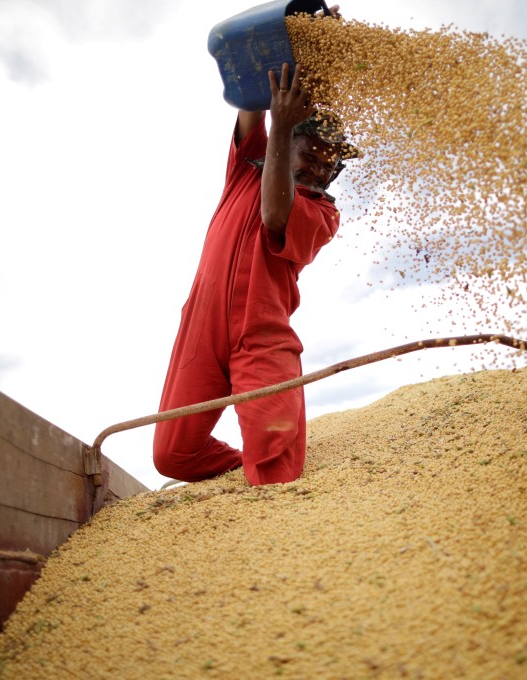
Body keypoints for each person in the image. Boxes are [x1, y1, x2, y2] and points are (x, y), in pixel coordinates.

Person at [152, 61, 360, 486]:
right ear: (290, 143)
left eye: (331, 163)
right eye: (313, 154)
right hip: (200, 327)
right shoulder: (248, 166)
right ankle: (243, 468)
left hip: (261, 334)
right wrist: (288, 53)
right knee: (172, 455)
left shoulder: (324, 212)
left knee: (276, 471)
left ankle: (265, 480)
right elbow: (251, 102)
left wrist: (283, 127)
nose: (321, 169)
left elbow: (274, 214)